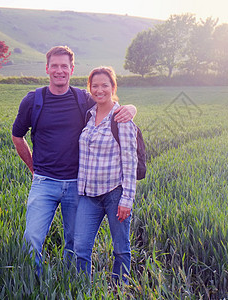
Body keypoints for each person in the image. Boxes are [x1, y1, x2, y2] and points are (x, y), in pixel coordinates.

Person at [11, 46, 136, 275]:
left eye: (64, 66)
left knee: (74, 243)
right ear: (47, 68)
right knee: (31, 238)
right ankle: (36, 285)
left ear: (72, 69)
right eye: (55, 66)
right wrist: (33, 167)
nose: (60, 71)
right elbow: (17, 135)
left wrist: (131, 108)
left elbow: (108, 104)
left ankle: (71, 284)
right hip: (44, 183)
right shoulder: (33, 100)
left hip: (78, 186)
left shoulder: (83, 99)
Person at [74, 66, 137, 285]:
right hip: (87, 195)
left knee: (121, 248)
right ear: (89, 88)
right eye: (95, 86)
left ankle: (121, 289)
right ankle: (82, 289)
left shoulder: (121, 118)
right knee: (80, 248)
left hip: (114, 193)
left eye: (105, 85)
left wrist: (127, 199)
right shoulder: (89, 115)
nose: (99, 90)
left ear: (113, 87)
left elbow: (130, 161)